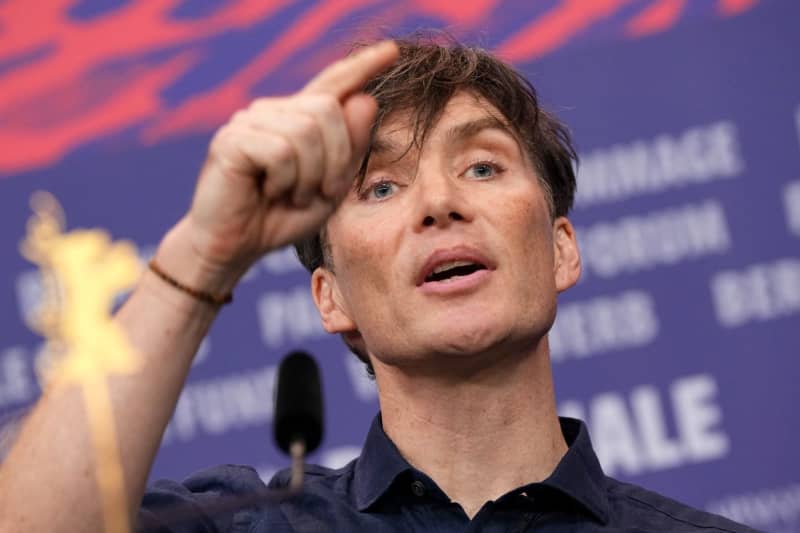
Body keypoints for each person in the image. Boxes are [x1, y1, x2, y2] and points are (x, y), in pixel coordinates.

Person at [0, 37, 756, 532]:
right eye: (382, 188)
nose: (439, 202)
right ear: (331, 298)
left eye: (483, 167)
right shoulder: (245, 523)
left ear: (561, 248)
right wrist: (203, 254)